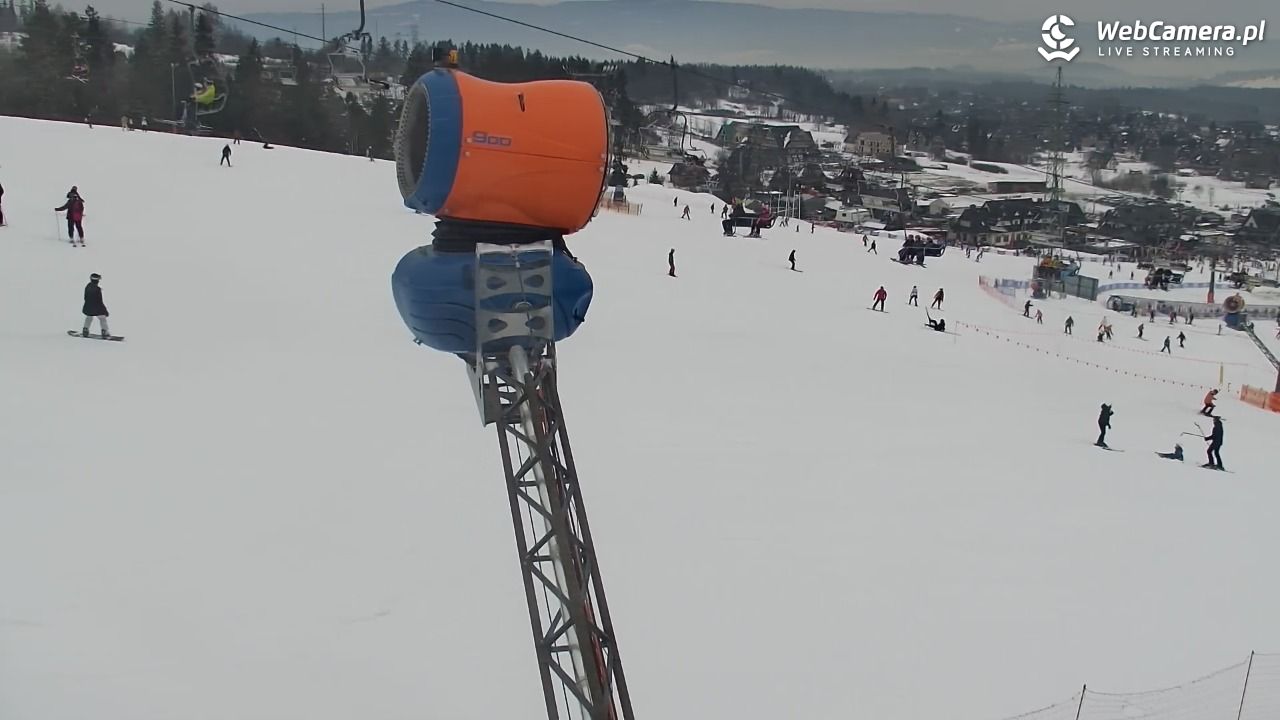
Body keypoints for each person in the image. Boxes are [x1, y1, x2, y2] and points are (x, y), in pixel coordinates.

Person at [81, 273, 110, 338]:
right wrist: (105, 311)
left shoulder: (87, 287)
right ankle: (104, 331)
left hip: (88, 307)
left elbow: (85, 298)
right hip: (97, 308)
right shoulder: (97, 289)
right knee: (102, 318)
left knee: (89, 317)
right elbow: (100, 301)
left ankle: (85, 329)